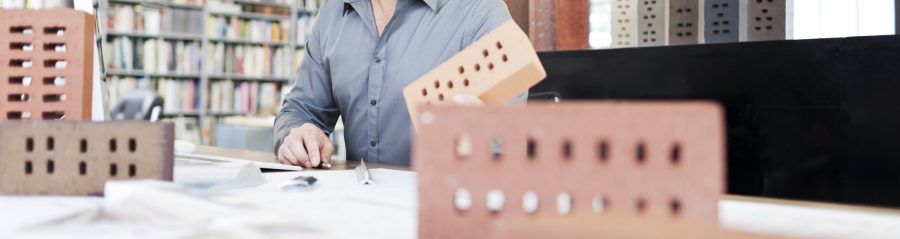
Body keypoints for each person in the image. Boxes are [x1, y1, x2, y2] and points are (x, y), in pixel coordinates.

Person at [275, 0, 524, 167]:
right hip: (355, 215)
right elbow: (299, 110)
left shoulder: (480, 10)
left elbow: (511, 139)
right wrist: (298, 136)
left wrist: (486, 137)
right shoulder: (333, 12)